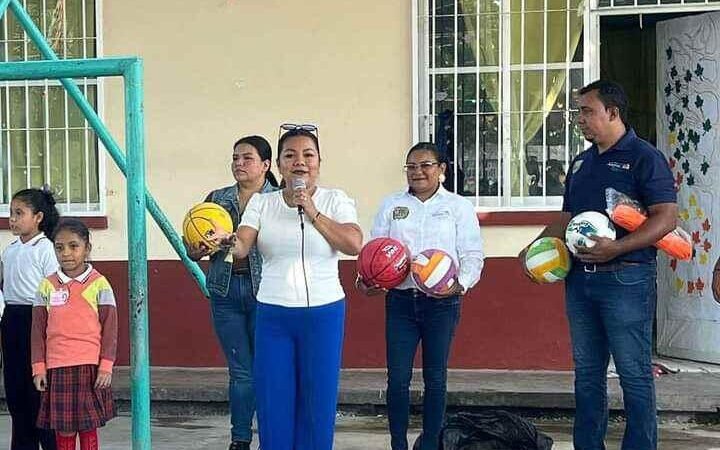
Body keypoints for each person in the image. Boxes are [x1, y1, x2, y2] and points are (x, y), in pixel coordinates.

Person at [519, 80, 677, 450]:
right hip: (579, 282)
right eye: (578, 112)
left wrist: (617, 248)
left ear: (613, 113)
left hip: (627, 280)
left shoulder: (643, 156)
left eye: (587, 111)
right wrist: (534, 248)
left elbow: (665, 218)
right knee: (587, 375)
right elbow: (567, 218)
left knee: (633, 374)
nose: (579, 119)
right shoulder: (582, 162)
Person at [223, 124, 362, 450]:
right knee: (274, 398)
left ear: (318, 161)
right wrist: (225, 241)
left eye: (308, 154)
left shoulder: (335, 199)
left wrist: (312, 212)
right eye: (290, 155)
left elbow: (353, 243)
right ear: (279, 165)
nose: (300, 161)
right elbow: (242, 244)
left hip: (324, 313)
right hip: (274, 314)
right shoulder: (262, 204)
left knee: (318, 400)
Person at [358, 142, 485, 450]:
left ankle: (431, 443)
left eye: (425, 165)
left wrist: (460, 284)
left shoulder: (458, 207)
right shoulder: (391, 205)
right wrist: (366, 281)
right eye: (411, 166)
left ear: (441, 170)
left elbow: (472, 254)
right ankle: (398, 444)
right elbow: (375, 251)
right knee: (397, 380)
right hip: (401, 302)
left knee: (436, 378)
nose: (417, 172)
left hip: (442, 303)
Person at [183, 135, 279, 450]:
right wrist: (195, 249)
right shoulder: (216, 199)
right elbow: (194, 251)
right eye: (235, 157)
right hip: (225, 292)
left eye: (247, 158)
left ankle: (272, 436)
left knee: (266, 369)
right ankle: (240, 440)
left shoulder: (278, 200)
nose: (238, 163)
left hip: (267, 292)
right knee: (241, 371)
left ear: (265, 165)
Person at [31, 219, 117, 450]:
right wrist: (39, 368)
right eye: (59, 247)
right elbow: (38, 331)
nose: (66, 253)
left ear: (87, 248)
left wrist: (106, 366)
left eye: (73, 246)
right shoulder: (46, 286)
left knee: (88, 426)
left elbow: (110, 328)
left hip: (89, 367)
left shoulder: (99, 284)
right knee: (64, 428)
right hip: (57, 368)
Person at [0, 187, 60, 450]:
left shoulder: (46, 249)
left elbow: (57, 290)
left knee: (37, 391)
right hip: (12, 320)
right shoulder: (10, 250)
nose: (12, 219)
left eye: (19, 213)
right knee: (15, 391)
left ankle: (48, 442)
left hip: (37, 319)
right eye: (11, 213)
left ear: (37, 217)